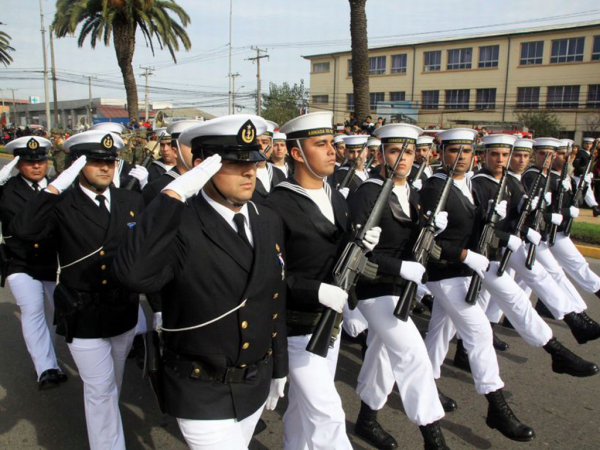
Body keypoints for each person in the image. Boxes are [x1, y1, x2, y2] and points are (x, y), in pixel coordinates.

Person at [114, 114, 288, 449]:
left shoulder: (267, 219)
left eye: (252, 161)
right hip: (201, 389)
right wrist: (173, 194)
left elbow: (273, 298)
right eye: (233, 163)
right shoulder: (179, 223)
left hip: (254, 380)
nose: (249, 171)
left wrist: (279, 364)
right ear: (200, 166)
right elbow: (133, 275)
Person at [11, 130, 144, 450]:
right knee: (99, 390)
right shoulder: (61, 202)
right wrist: (56, 186)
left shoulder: (130, 199)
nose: (105, 168)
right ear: (77, 163)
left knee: (112, 386)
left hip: (122, 310)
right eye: (95, 161)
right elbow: (23, 230)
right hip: (82, 312)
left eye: (110, 161)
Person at [265, 111, 380, 449]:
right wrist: (316, 289)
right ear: (297, 153)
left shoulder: (337, 198)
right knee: (328, 415)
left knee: (303, 411)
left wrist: (361, 247)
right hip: (295, 332)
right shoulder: (275, 205)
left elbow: (339, 259)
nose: (333, 151)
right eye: (321, 144)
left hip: (329, 328)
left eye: (332, 143)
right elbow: (270, 277)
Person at [421, 128, 535, 443]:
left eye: (467, 152)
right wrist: (462, 253)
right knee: (479, 331)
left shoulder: (468, 185)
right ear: (441, 154)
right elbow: (427, 243)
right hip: (445, 272)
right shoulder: (435, 188)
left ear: (474, 155)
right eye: (454, 151)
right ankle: (496, 406)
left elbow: (474, 229)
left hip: (465, 270)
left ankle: (427, 382)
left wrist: (490, 221)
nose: (460, 157)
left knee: (439, 331)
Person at [349, 123, 450, 450]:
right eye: (394, 151)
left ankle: (367, 419)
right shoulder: (368, 192)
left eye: (407, 152)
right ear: (380, 154)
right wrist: (399, 266)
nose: (402, 158)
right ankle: (432, 435)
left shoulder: (415, 193)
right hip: (374, 286)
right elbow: (359, 253)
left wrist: (433, 228)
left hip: (401, 288)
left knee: (381, 355)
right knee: (412, 354)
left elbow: (417, 244)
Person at [463, 134, 598, 378]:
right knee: (501, 301)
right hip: (484, 252)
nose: (505, 159)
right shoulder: (481, 183)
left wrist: (527, 227)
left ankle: (573, 323)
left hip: (502, 247)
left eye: (508, 154)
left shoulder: (509, 180)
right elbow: (479, 225)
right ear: (483, 156)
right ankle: (564, 338)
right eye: (497, 154)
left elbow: (513, 218)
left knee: (531, 282)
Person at [0, 137, 66, 390]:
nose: (36, 166)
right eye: (29, 162)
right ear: (18, 164)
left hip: (52, 263)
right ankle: (46, 368)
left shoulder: (59, 187)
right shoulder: (7, 189)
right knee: (32, 310)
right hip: (20, 261)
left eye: (40, 160)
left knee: (50, 316)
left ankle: (49, 361)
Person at [252, 120, 286, 204]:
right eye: (256, 142)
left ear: (271, 146)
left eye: (264, 142)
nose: (260, 146)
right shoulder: (243, 173)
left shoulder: (279, 174)